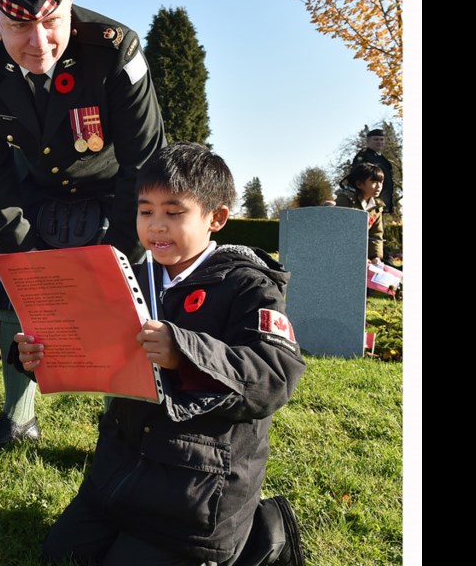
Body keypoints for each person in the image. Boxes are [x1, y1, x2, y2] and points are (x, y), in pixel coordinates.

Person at [18, 143, 306, 565]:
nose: (156, 226)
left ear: (216, 218)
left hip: (198, 489)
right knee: (62, 554)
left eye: (174, 213)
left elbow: (274, 377)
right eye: (145, 211)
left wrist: (184, 352)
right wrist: (36, 350)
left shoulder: (247, 286)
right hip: (119, 472)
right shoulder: (128, 278)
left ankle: (263, 535)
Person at [0, 0, 164, 453]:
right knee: (16, 290)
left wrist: (117, 254)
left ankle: (120, 429)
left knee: (124, 303)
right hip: (34, 190)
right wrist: (20, 246)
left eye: (52, 21)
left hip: (115, 189)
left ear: (69, 6)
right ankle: (18, 418)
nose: (40, 42)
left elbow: (145, 161)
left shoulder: (116, 49)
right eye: (20, 26)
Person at [334, 162, 386, 265]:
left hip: (361, 259)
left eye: (381, 182)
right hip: (340, 257)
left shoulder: (376, 207)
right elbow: (339, 232)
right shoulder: (345, 200)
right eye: (374, 182)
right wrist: (357, 256)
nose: (379, 186)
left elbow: (375, 235)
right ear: (359, 184)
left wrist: (375, 256)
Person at [341, 128, 394, 213]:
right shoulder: (363, 156)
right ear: (368, 141)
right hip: (367, 203)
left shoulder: (385, 160)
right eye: (376, 139)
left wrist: (391, 203)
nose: (379, 142)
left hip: (382, 203)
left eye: (381, 139)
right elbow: (356, 178)